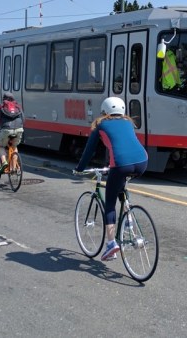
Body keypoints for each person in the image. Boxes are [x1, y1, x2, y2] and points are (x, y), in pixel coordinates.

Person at [74, 97, 148, 261]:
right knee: (120, 185)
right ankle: (128, 217)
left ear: (104, 111)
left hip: (121, 164)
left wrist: (79, 169)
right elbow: (124, 144)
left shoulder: (101, 125)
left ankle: (110, 244)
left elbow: (89, 151)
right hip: (142, 162)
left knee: (109, 205)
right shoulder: (128, 123)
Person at [0, 92, 25, 174]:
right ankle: (14, 168)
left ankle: (4, 163)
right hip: (19, 129)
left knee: (1, 146)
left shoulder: (1, 106)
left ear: (4, 99)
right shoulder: (18, 106)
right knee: (14, 146)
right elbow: (23, 119)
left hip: (6, 129)